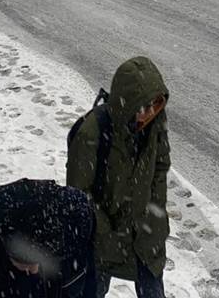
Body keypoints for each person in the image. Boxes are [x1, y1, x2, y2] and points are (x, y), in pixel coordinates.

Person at [67, 56, 170, 298]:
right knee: (92, 291)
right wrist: (105, 232)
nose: (151, 113)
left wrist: (155, 217)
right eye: (146, 107)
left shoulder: (155, 123)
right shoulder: (91, 132)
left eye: (157, 105)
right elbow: (78, 194)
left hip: (145, 235)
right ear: (128, 103)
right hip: (104, 237)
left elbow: (160, 167)